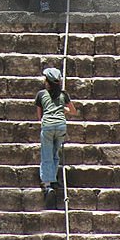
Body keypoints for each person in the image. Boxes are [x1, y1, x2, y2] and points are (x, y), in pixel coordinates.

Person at [34, 67, 77, 201]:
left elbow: (39, 116)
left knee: (46, 154)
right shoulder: (64, 95)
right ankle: (54, 180)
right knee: (55, 153)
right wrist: (63, 109)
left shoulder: (41, 94)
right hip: (60, 126)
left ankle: (47, 183)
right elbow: (73, 111)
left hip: (47, 125)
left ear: (47, 82)